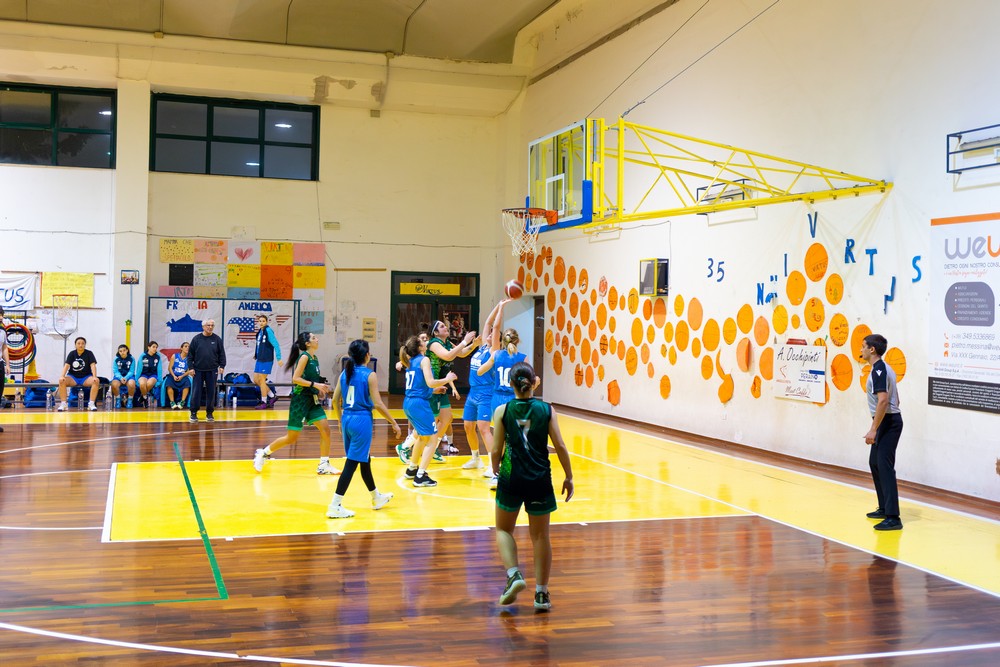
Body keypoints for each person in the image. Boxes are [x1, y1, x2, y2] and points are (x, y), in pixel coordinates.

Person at [491, 362, 573, 611]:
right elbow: (559, 445)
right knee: (540, 536)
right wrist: (569, 476)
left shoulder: (502, 410)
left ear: (511, 384)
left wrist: (495, 467)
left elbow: (496, 449)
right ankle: (541, 595)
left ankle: (514, 574)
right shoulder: (547, 410)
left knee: (503, 530)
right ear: (534, 382)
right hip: (539, 478)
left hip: (511, 476)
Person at [326, 339, 402, 518]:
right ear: (367, 355)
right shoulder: (369, 375)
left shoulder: (345, 373)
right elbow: (378, 404)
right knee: (351, 463)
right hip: (361, 420)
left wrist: (338, 421)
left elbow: (336, 400)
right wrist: (393, 422)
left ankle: (376, 497)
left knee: (364, 459)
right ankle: (335, 504)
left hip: (347, 419)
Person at [253, 332, 339, 475]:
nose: (317, 339)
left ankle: (324, 464)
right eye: (313, 338)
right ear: (307, 344)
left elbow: (311, 381)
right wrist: (315, 385)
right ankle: (263, 453)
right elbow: (296, 379)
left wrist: (318, 390)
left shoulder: (314, 358)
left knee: (326, 429)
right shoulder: (304, 357)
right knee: (291, 437)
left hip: (312, 400)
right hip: (300, 401)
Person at [400, 334, 457, 487]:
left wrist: (433, 390)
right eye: (423, 341)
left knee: (421, 437)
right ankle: (420, 476)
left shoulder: (410, 361)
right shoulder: (424, 359)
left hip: (409, 402)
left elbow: (420, 385)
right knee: (432, 439)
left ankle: (412, 469)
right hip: (419, 404)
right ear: (419, 347)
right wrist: (447, 378)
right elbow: (430, 382)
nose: (426, 342)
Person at [860, 333, 904, 531]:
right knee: (874, 462)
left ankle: (893, 518)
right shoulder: (884, 369)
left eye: (863, 346)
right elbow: (897, 398)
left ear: (872, 350)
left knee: (885, 466)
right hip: (887, 421)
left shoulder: (879, 370)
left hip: (889, 422)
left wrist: (873, 429)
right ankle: (884, 507)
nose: (860, 350)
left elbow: (884, 400)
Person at [461, 300, 508, 477]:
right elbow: (488, 323)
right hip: (472, 392)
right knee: (467, 426)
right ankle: (475, 458)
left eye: (491, 336)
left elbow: (494, 328)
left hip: (486, 392)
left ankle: (494, 465)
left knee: (483, 428)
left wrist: (501, 310)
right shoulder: (482, 348)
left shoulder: (494, 351)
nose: (487, 335)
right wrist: (498, 304)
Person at [425, 320, 476, 457]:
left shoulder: (447, 343)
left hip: (442, 386)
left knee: (447, 418)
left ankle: (433, 446)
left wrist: (475, 343)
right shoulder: (434, 343)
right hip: (432, 386)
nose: (445, 327)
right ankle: (406, 446)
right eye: (442, 326)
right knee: (431, 423)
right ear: (435, 332)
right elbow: (448, 356)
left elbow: (462, 352)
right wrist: (464, 341)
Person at [188, 319, 226, 423]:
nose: (210, 327)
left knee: (211, 392)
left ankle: (209, 413)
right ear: (203, 326)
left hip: (212, 370)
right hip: (198, 370)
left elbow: (222, 354)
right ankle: (193, 413)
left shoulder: (217, 339)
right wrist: (191, 368)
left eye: (212, 325)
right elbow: (190, 355)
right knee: (196, 392)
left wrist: (222, 366)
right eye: (208, 325)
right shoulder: (196, 339)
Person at [57, 336, 100, 411]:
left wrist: (94, 376)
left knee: (96, 381)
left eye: (83, 343)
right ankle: (63, 404)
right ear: (75, 345)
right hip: (73, 377)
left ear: (85, 345)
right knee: (61, 381)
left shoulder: (89, 353)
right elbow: (67, 365)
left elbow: (93, 365)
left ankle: (91, 403)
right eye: (79, 343)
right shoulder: (72, 353)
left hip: (86, 377)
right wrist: (62, 376)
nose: (81, 345)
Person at [253, 314, 282, 409]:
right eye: (260, 321)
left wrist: (279, 358)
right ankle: (273, 396)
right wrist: (256, 354)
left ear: (267, 322)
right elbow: (259, 345)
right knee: (256, 380)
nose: (261, 323)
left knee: (262, 380)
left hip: (267, 359)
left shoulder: (268, 331)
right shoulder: (259, 332)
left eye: (263, 321)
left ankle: (264, 402)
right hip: (259, 359)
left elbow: (276, 345)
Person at [164, 341, 194, 409]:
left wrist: (182, 376)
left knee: (187, 383)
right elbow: (170, 368)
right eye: (185, 346)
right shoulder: (175, 356)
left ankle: (182, 402)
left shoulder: (190, 358)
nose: (187, 348)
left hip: (183, 375)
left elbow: (189, 370)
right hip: (173, 375)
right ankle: (172, 402)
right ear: (181, 348)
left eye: (188, 347)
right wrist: (174, 376)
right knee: (169, 383)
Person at [136, 341, 163, 407]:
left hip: (153, 375)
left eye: (156, 347)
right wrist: (136, 379)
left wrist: (160, 380)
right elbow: (139, 368)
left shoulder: (158, 356)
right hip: (143, 374)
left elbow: (159, 369)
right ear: (148, 347)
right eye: (153, 347)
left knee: (149, 384)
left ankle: (142, 396)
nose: (155, 349)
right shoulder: (143, 356)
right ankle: (145, 398)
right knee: (142, 384)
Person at [110, 344, 137, 408]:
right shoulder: (116, 359)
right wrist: (121, 378)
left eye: (124, 350)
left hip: (129, 376)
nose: (122, 352)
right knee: (114, 384)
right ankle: (118, 400)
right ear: (118, 352)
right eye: (120, 351)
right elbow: (115, 371)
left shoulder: (131, 359)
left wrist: (126, 378)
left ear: (127, 350)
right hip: (119, 376)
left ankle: (130, 400)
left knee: (132, 383)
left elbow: (132, 371)